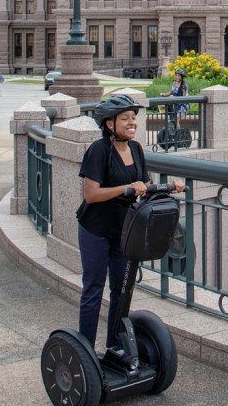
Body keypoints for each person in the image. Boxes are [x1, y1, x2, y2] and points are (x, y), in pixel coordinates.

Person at [77, 95, 184, 350]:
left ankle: (115, 346)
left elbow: (143, 186)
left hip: (124, 231)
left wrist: (170, 187)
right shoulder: (99, 150)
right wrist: (125, 188)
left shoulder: (136, 149)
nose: (131, 122)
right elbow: (90, 194)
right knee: (93, 290)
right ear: (110, 124)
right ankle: (86, 352)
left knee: (122, 290)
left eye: (133, 118)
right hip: (96, 229)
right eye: (125, 118)